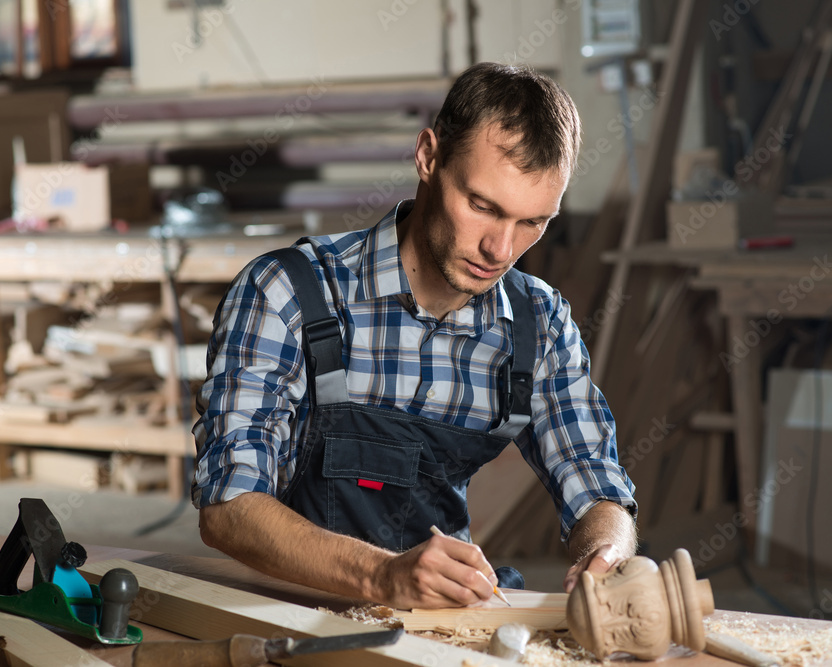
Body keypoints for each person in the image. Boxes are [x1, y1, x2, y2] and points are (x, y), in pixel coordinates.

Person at [192, 62, 638, 610]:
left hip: (440, 622)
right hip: (290, 615)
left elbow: (594, 481)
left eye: (533, 222)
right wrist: (383, 577)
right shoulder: (288, 293)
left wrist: (608, 555)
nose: (500, 249)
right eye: (482, 206)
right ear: (428, 156)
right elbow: (228, 507)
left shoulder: (537, 324)